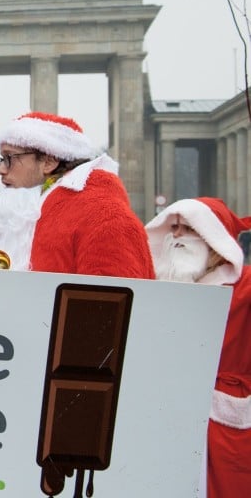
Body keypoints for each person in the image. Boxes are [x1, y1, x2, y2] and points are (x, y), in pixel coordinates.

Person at [0, 111, 154, 278]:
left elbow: (110, 315)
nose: (1, 169)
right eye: (1, 159)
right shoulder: (30, 210)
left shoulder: (103, 215)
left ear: (49, 162)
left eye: (10, 157)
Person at [146, 198, 251, 497]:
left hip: (225, 422)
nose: (176, 235)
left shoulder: (246, 286)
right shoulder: (158, 287)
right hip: (168, 413)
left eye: (189, 228)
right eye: (174, 227)